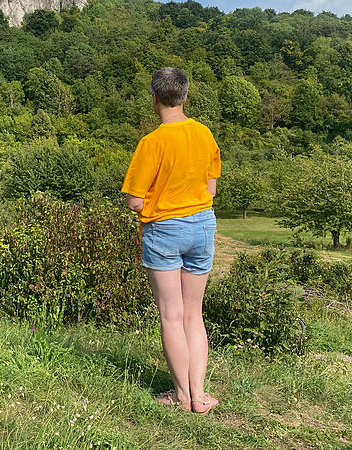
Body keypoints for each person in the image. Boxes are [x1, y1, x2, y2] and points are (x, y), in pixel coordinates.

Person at [121, 67, 221, 414]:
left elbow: (134, 200)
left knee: (171, 315)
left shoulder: (152, 143)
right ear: (185, 96)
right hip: (203, 225)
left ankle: (181, 395)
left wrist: (158, 204)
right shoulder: (205, 135)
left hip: (164, 229)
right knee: (194, 315)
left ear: (154, 98)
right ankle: (200, 395)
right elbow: (210, 188)